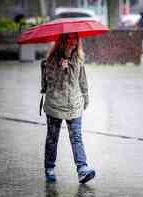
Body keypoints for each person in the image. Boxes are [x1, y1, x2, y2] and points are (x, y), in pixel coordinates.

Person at [41, 32, 95, 184]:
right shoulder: (51, 59)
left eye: (75, 39)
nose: (73, 42)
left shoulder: (79, 58)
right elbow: (50, 82)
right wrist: (60, 69)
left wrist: (86, 96)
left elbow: (82, 79)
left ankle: (82, 169)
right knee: (52, 139)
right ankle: (49, 168)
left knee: (77, 138)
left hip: (74, 104)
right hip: (55, 104)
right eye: (69, 39)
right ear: (62, 41)